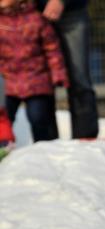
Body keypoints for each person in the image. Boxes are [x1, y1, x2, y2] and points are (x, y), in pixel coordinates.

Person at [0, 0, 69, 142]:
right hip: (8, 81)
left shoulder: (36, 19)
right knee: (5, 117)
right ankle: (4, 145)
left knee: (39, 118)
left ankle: (43, 148)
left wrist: (58, 74)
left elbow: (52, 50)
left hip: (36, 80)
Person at [35, 0, 98, 138]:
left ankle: (85, 139)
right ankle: (45, 143)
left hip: (73, 12)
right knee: (40, 82)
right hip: (34, 13)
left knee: (79, 78)